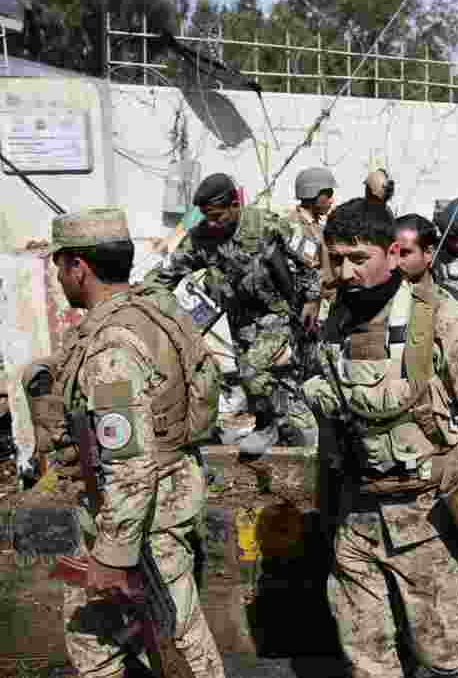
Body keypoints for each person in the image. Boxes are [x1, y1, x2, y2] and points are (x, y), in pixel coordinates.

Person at [302, 198, 458, 678]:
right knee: (366, 661)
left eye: (358, 258)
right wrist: (326, 507)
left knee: (445, 660)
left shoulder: (443, 319)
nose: (345, 272)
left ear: (391, 253)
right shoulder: (336, 322)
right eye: (336, 258)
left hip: (429, 523)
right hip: (356, 518)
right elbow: (333, 426)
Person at [24, 208, 224, 677]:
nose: (59, 278)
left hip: (141, 519)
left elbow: (130, 465)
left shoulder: (113, 349)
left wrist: (114, 555)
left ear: (80, 266)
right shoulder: (148, 309)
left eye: (60, 266)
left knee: (179, 645)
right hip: (154, 501)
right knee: (94, 635)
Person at [147, 172, 321, 449]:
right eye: (207, 217)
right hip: (240, 319)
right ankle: (278, 427)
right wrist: (141, 299)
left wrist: (312, 299)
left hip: (278, 313)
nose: (213, 223)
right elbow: (168, 271)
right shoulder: (202, 237)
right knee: (255, 376)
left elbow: (308, 258)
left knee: (254, 369)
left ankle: (284, 431)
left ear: (234, 204)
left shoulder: (265, 224)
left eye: (218, 215)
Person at [288, 167, 339, 318]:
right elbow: (307, 273)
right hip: (303, 310)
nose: (331, 200)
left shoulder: (315, 226)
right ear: (312, 194)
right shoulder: (296, 226)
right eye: (328, 194)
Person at [395, 213, 439, 284]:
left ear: (428, 253)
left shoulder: (449, 295)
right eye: (392, 253)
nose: (396, 262)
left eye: (404, 253)